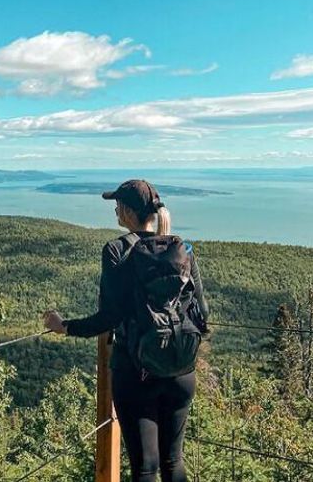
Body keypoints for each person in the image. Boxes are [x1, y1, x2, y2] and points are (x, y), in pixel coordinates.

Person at [42, 179, 207, 482]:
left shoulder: (117, 249)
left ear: (128, 212)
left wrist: (64, 327)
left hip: (136, 372)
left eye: (117, 205)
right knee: (173, 462)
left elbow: (109, 316)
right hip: (181, 371)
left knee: (146, 467)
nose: (115, 210)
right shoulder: (182, 249)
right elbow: (202, 313)